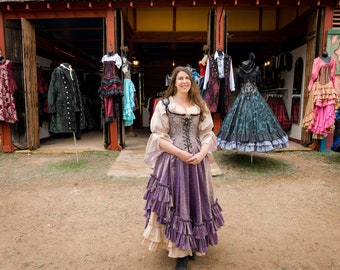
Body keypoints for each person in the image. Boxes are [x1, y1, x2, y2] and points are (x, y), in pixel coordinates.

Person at [142, 66, 224, 270]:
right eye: (180, 78)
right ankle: (180, 252)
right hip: (173, 160)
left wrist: (202, 154)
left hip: (197, 159)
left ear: (192, 81)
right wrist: (179, 153)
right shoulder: (165, 105)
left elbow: (207, 133)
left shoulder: (200, 105)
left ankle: (194, 243)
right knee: (178, 202)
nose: (184, 81)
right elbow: (158, 137)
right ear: (174, 82)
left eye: (187, 78)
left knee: (196, 199)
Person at [216, 52, 288, 152]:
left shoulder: (241, 71)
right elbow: (260, 84)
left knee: (244, 120)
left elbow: (237, 85)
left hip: (244, 97)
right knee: (258, 120)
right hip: (254, 97)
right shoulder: (256, 70)